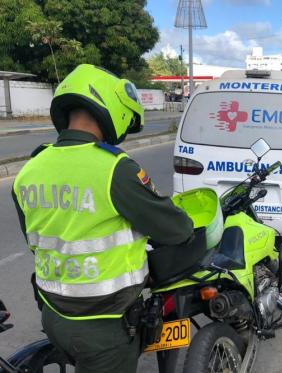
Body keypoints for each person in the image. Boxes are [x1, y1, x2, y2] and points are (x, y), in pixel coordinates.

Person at [12, 64, 195, 372]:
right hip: (103, 328)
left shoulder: (30, 168)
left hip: (54, 316)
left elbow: (35, 240)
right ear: (111, 108)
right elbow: (175, 229)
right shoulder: (114, 168)